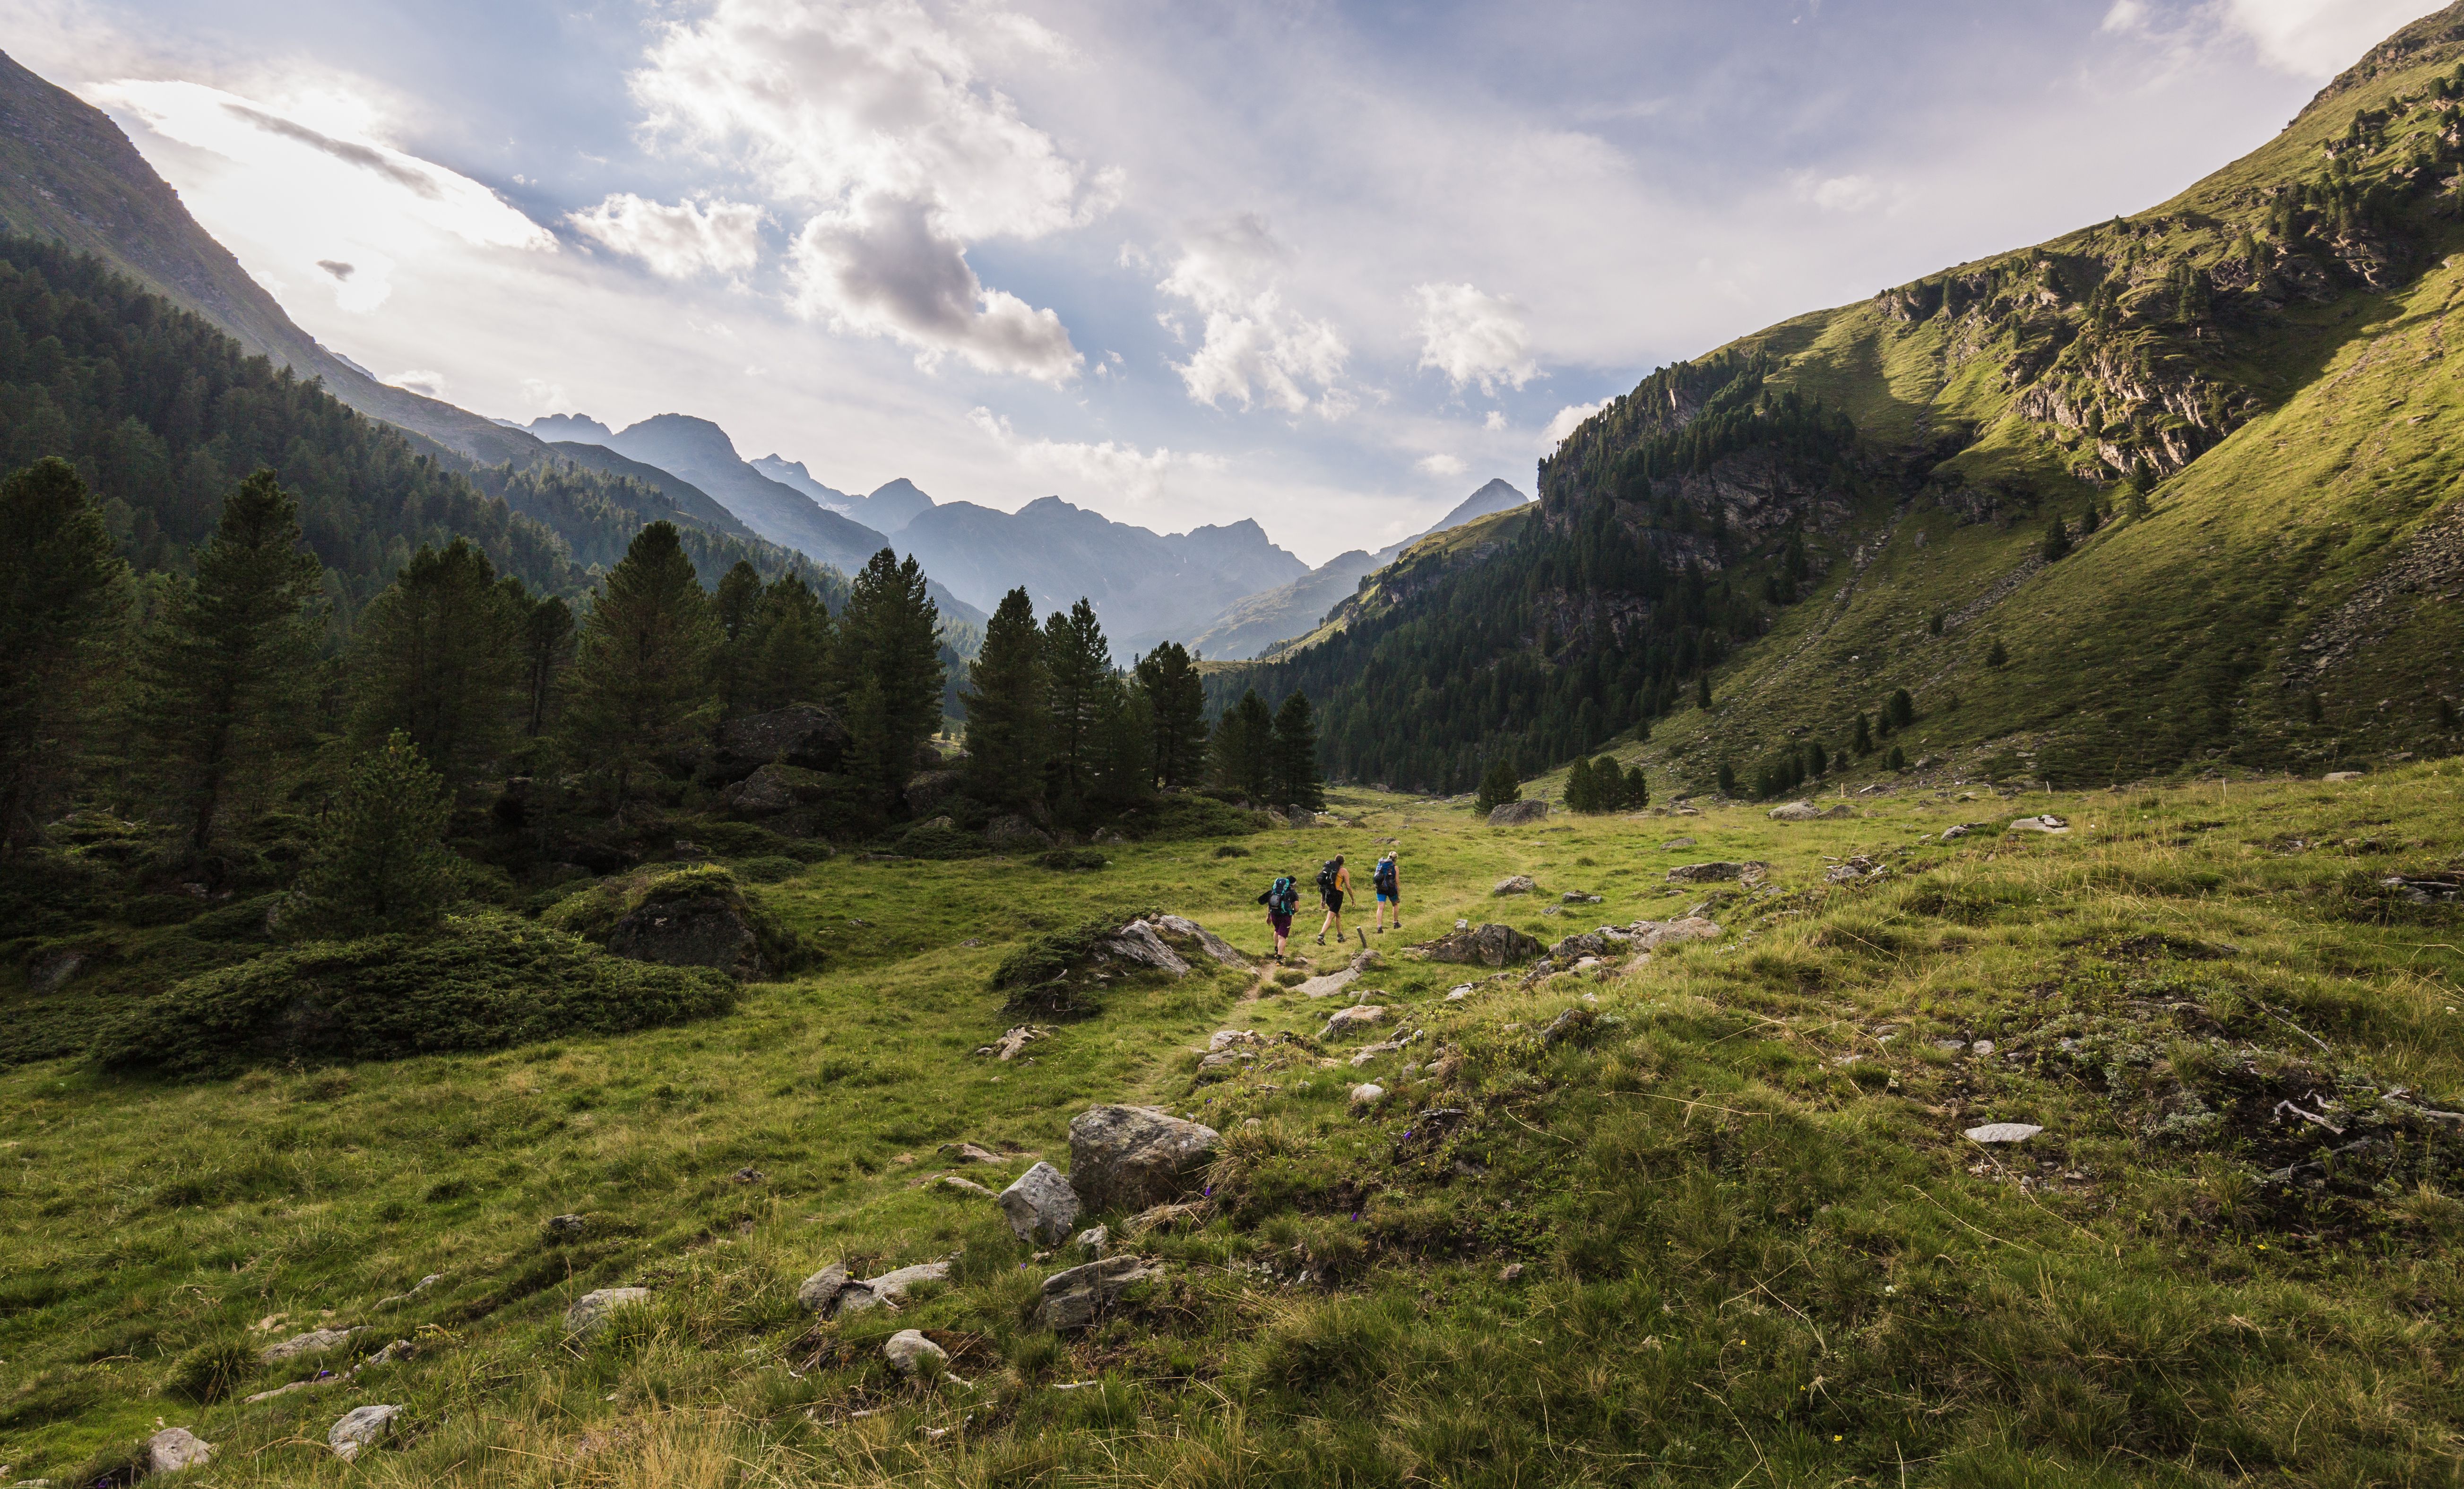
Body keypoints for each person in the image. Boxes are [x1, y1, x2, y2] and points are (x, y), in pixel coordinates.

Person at [1256, 870, 1300, 961]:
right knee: (1282, 936)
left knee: (1277, 930)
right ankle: (1279, 959)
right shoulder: (1293, 893)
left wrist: (1268, 917)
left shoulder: (1275, 891)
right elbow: (1296, 909)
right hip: (1285, 916)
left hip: (1274, 914)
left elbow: (1270, 904)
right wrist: (1291, 911)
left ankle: (1276, 950)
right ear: (1293, 884)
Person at [1314, 853, 1350, 946]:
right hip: (1337, 896)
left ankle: (1340, 936)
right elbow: (1348, 887)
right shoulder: (1343, 871)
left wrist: (1323, 900)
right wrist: (1353, 899)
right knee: (1330, 917)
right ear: (1343, 862)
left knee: (1338, 915)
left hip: (1328, 895)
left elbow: (1324, 884)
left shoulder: (1330, 870)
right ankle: (1321, 936)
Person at [1372, 851, 1401, 933]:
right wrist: (1398, 894)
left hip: (1380, 888)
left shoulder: (1381, 865)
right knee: (1395, 904)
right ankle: (1396, 923)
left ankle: (1379, 928)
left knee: (1380, 908)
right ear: (1396, 859)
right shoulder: (1395, 867)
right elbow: (1397, 882)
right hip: (1391, 888)